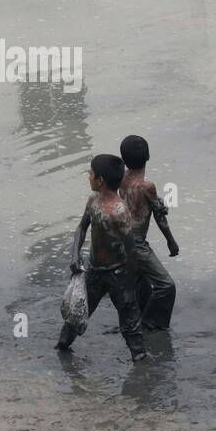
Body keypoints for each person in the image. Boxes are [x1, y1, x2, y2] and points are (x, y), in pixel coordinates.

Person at [56, 154, 145, 360]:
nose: (88, 176)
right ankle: (61, 348)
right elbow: (81, 228)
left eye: (90, 173)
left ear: (100, 181)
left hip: (118, 272)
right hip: (95, 270)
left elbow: (131, 249)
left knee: (130, 321)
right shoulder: (92, 202)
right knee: (76, 312)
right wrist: (74, 254)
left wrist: (130, 282)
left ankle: (139, 358)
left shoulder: (119, 211)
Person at [119, 134, 179, 330]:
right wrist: (171, 241)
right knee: (166, 286)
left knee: (141, 279)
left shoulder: (122, 178)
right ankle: (151, 324)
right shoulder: (147, 186)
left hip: (122, 238)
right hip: (136, 242)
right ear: (148, 156)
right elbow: (159, 217)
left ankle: (137, 316)